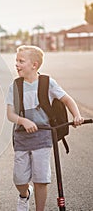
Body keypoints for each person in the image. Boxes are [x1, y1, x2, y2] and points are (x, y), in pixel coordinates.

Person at [6, 45, 84, 211]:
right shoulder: (15, 86)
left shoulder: (48, 83)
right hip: (22, 138)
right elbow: (10, 114)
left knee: (41, 179)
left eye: (21, 61)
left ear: (34, 65)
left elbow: (68, 100)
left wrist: (76, 115)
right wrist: (23, 121)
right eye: (16, 61)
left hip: (43, 137)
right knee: (19, 179)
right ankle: (24, 194)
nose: (17, 64)